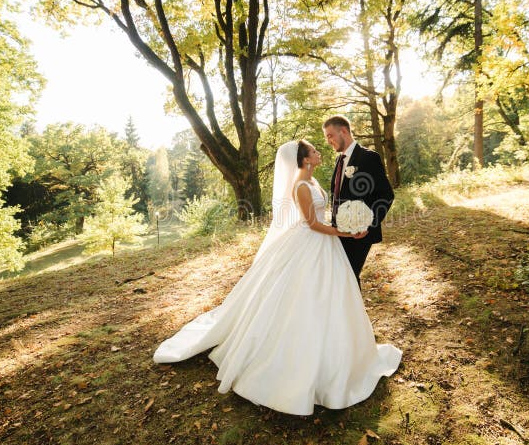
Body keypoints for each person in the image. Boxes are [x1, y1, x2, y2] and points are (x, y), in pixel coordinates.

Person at [152, 140, 401, 416]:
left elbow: (324, 216)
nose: (320, 153)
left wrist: (350, 220)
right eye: (315, 151)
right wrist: (346, 232)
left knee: (334, 296)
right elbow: (314, 225)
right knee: (304, 297)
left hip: (325, 247)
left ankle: (343, 355)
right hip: (310, 243)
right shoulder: (301, 186)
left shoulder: (313, 181)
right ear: (305, 159)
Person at [323, 115, 394, 286]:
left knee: (347, 277)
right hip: (339, 232)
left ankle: (353, 313)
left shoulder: (368, 157)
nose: (328, 141)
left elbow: (385, 195)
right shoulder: (339, 160)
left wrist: (368, 224)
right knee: (344, 278)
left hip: (359, 234)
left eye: (330, 135)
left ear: (344, 131)